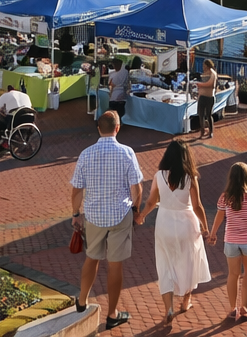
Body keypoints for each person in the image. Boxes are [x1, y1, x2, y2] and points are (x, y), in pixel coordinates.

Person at [68, 111, 144, 330]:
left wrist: (75, 214)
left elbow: (76, 190)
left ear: (98, 128)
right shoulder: (127, 153)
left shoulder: (86, 154)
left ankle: (82, 301)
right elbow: (137, 188)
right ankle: (112, 314)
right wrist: (136, 209)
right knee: (115, 264)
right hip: (120, 214)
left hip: (93, 215)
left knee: (91, 258)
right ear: (117, 128)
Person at [135, 139, 212, 323]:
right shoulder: (190, 177)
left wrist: (142, 215)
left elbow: (152, 201)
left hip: (164, 223)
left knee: (165, 265)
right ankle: (186, 301)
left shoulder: (159, 175)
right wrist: (206, 226)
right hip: (187, 224)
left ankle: (168, 308)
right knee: (188, 262)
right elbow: (197, 205)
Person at [208, 162, 247, 323]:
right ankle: (245, 307)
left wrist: (213, 234)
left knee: (233, 274)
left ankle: (233, 308)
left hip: (231, 241)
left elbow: (219, 216)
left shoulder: (225, 197)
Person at [0, 85, 33, 157]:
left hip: (14, 120)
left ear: (8, 90)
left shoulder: (5, 95)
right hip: (28, 118)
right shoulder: (25, 95)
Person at [196, 60, 220, 140]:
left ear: (207, 65)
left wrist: (200, 85)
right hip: (202, 97)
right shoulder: (204, 73)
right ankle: (202, 132)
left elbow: (211, 85)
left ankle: (211, 132)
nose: (203, 67)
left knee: (208, 115)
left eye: (204, 65)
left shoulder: (213, 73)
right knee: (201, 115)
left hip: (209, 97)